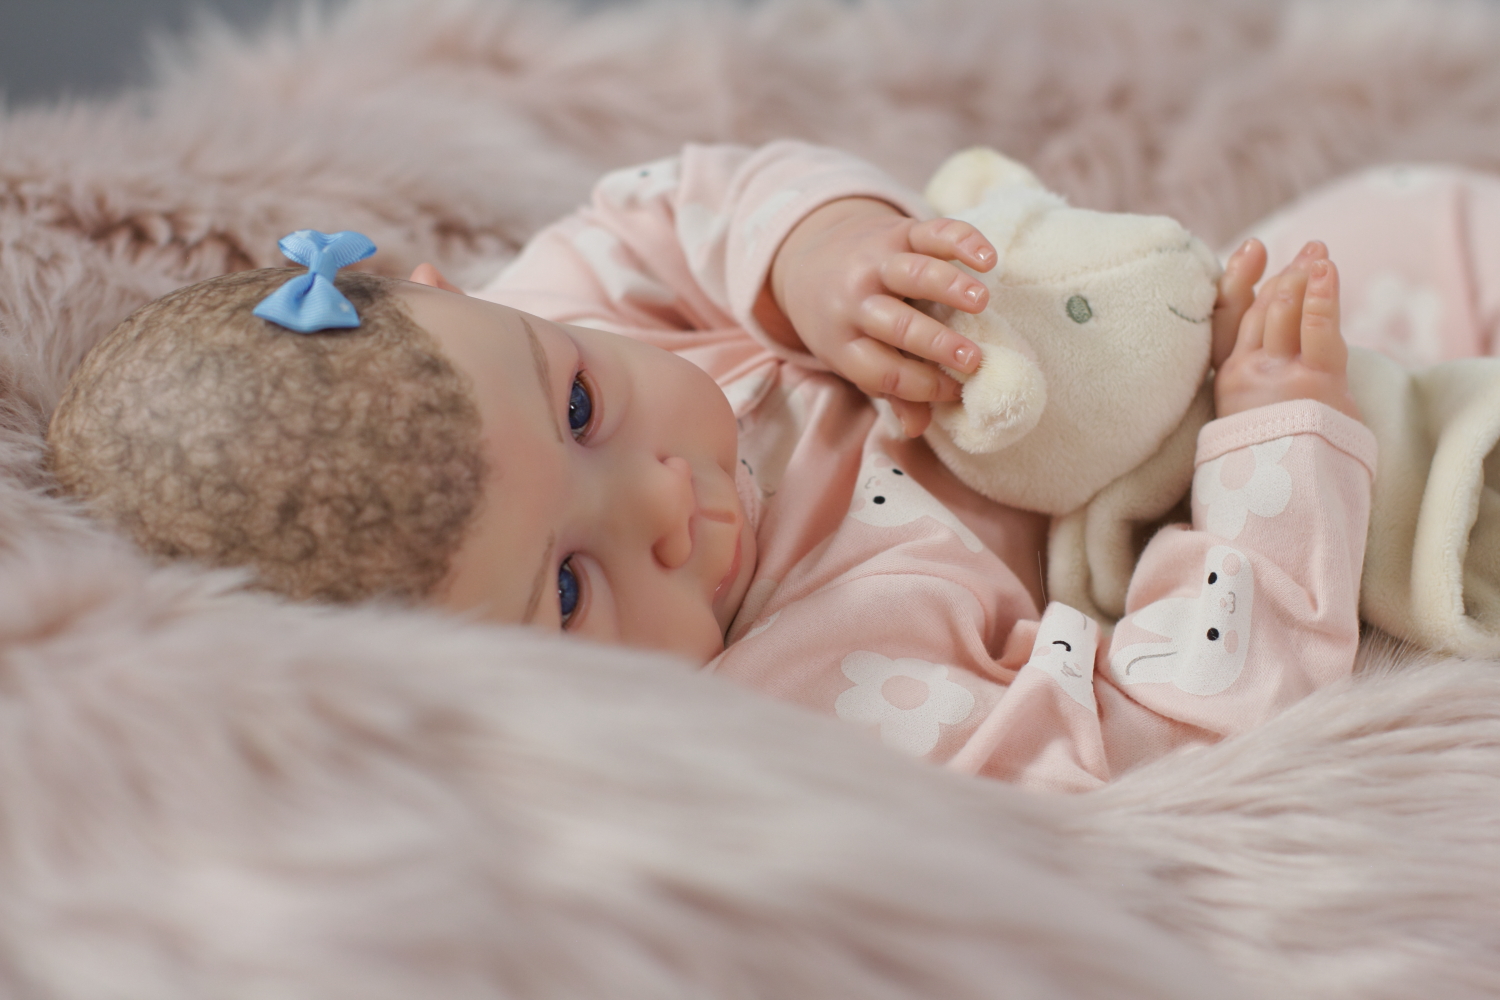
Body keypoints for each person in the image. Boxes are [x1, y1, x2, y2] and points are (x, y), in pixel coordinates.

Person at [47, 141, 1374, 792]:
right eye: (571, 589)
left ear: (456, 293)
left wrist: (824, 257)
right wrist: (1276, 441)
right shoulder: (807, 705)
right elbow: (1165, 733)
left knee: (1398, 216)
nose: (666, 501)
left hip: (1136, 313)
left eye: (581, 408)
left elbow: (673, 199)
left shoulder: (564, 301)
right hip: (1224, 493)